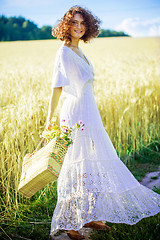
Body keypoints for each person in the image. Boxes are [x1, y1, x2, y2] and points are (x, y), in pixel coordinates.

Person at [44, 5, 160, 240]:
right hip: (76, 114)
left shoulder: (80, 51)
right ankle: (70, 222)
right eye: (74, 22)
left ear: (88, 27)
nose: (78, 26)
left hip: (89, 111)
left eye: (82, 23)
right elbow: (57, 88)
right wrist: (48, 122)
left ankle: (87, 215)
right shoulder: (64, 52)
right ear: (66, 26)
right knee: (76, 166)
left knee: (91, 163)